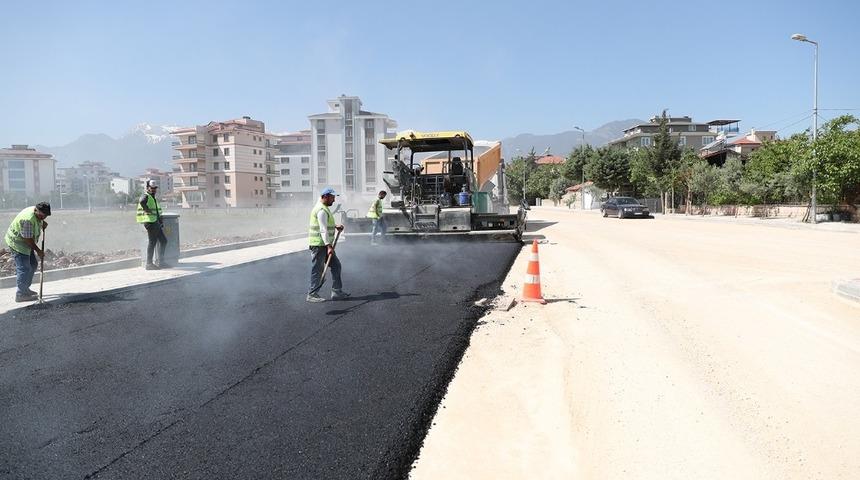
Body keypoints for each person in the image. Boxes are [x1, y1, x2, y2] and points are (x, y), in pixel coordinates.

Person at [307, 187, 350, 303]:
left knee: (336, 265)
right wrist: (329, 246)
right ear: (325, 196)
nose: (334, 200)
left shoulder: (324, 209)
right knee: (318, 269)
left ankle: (336, 291)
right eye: (332, 197)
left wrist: (335, 226)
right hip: (319, 245)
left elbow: (325, 224)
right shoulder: (321, 210)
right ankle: (312, 294)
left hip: (324, 245)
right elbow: (322, 229)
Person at [4, 202, 50, 302]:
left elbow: (37, 220)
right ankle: (20, 294)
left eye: (46, 215)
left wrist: (42, 223)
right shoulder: (28, 220)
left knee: (33, 264)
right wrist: (38, 251)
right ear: (36, 211)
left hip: (25, 242)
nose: (44, 217)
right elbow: (28, 239)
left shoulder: (36, 212)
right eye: (42, 215)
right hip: (17, 243)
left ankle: (25, 290)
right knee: (24, 268)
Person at [137, 179, 168, 270]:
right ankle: (149, 264)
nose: (154, 189)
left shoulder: (152, 198)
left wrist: (160, 221)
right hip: (150, 222)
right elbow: (141, 201)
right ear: (148, 188)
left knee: (163, 241)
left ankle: (161, 262)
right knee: (152, 242)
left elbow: (157, 212)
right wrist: (146, 210)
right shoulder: (146, 195)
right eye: (152, 188)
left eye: (155, 188)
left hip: (155, 222)